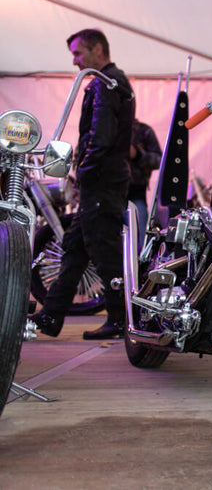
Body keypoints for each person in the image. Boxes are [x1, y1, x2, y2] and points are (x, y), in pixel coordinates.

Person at [29, 29, 135, 340]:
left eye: (78, 53)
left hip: (102, 181)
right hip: (103, 180)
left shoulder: (106, 83)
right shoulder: (110, 82)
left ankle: (119, 319)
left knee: (105, 250)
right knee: (74, 247)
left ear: (98, 49)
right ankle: (51, 315)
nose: (75, 61)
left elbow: (100, 137)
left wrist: (84, 172)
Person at [128, 118, 162, 246]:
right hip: (106, 195)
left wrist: (138, 155)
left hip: (136, 195)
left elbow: (160, 160)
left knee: (142, 239)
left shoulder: (143, 131)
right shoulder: (102, 128)